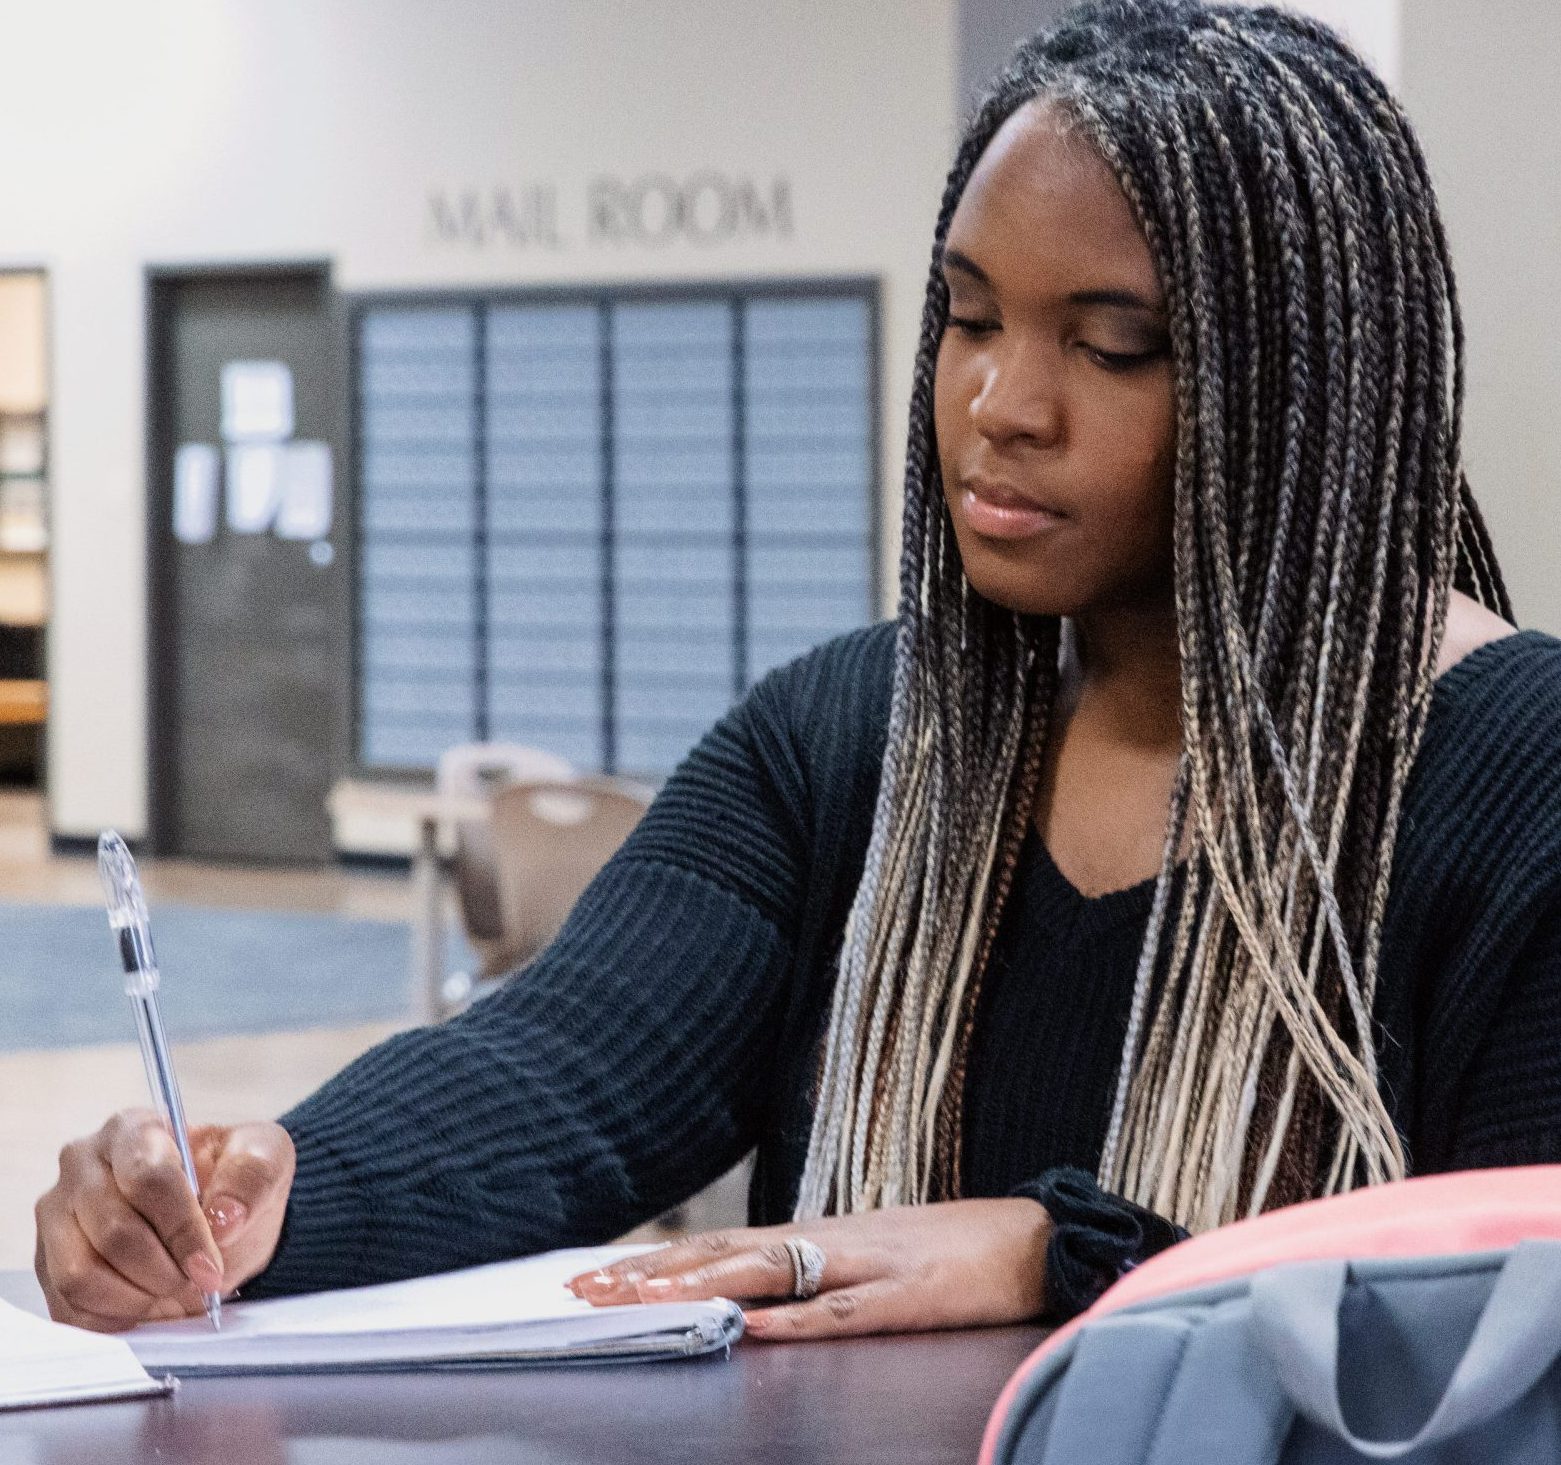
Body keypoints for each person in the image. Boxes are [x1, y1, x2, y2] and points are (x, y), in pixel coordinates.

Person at [36, 0, 1561, 1340]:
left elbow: (1504, 1311)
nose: (997, 402)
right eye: (967, 317)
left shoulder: (1515, 781)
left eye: (1109, 346)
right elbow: (570, 1069)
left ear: (1311, 379)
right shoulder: (846, 736)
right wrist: (272, 1184)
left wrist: (1063, 1253)